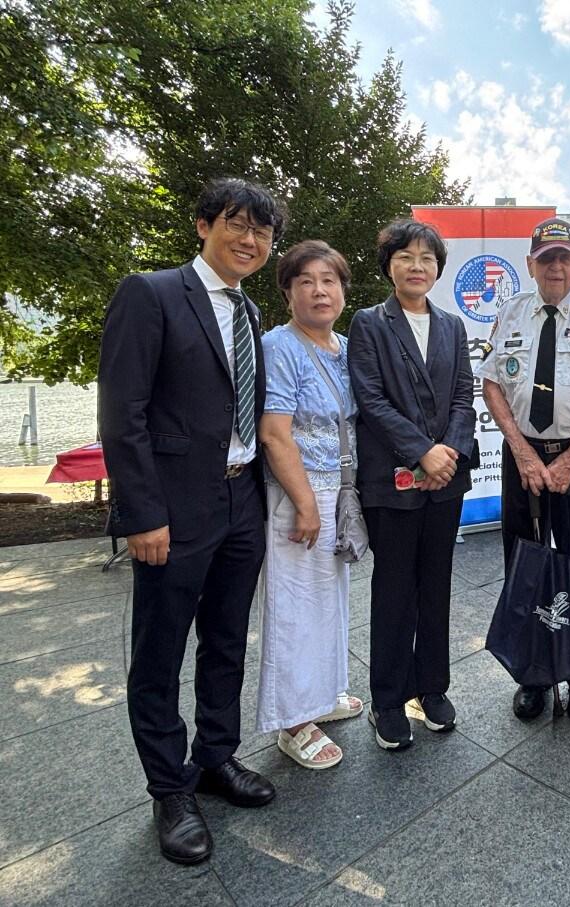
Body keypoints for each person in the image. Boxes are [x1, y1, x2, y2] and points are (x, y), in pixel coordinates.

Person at [98, 177, 286, 864]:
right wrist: (143, 513)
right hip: (173, 511)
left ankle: (215, 756)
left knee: (228, 638)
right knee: (158, 652)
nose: (250, 240)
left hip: (243, 500)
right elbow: (124, 416)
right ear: (203, 224)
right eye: (237, 223)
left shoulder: (251, 313)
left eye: (263, 232)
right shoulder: (150, 295)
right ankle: (169, 788)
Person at [479, 217, 570, 722]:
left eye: (565, 258)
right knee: (524, 561)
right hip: (523, 454)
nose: (556, 267)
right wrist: (522, 452)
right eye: (547, 259)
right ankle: (532, 671)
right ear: (531, 265)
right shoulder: (511, 312)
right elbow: (492, 385)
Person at [348, 219, 476, 751]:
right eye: (406, 256)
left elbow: (465, 395)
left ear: (438, 268)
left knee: (436, 586)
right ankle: (387, 699)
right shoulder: (368, 324)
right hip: (391, 481)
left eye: (427, 257)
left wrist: (446, 454)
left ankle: (432, 687)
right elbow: (370, 400)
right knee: (394, 589)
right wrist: (421, 451)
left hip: (444, 482)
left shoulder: (451, 325)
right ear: (389, 266)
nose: (417, 265)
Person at [255, 240, 364, 770]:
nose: (319, 290)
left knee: (332, 599)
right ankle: (293, 720)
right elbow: (275, 434)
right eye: (306, 281)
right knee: (295, 606)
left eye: (329, 280)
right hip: (302, 491)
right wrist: (304, 504)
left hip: (340, 490)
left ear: (343, 290)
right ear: (288, 293)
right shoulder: (280, 346)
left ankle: (322, 694)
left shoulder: (344, 347)